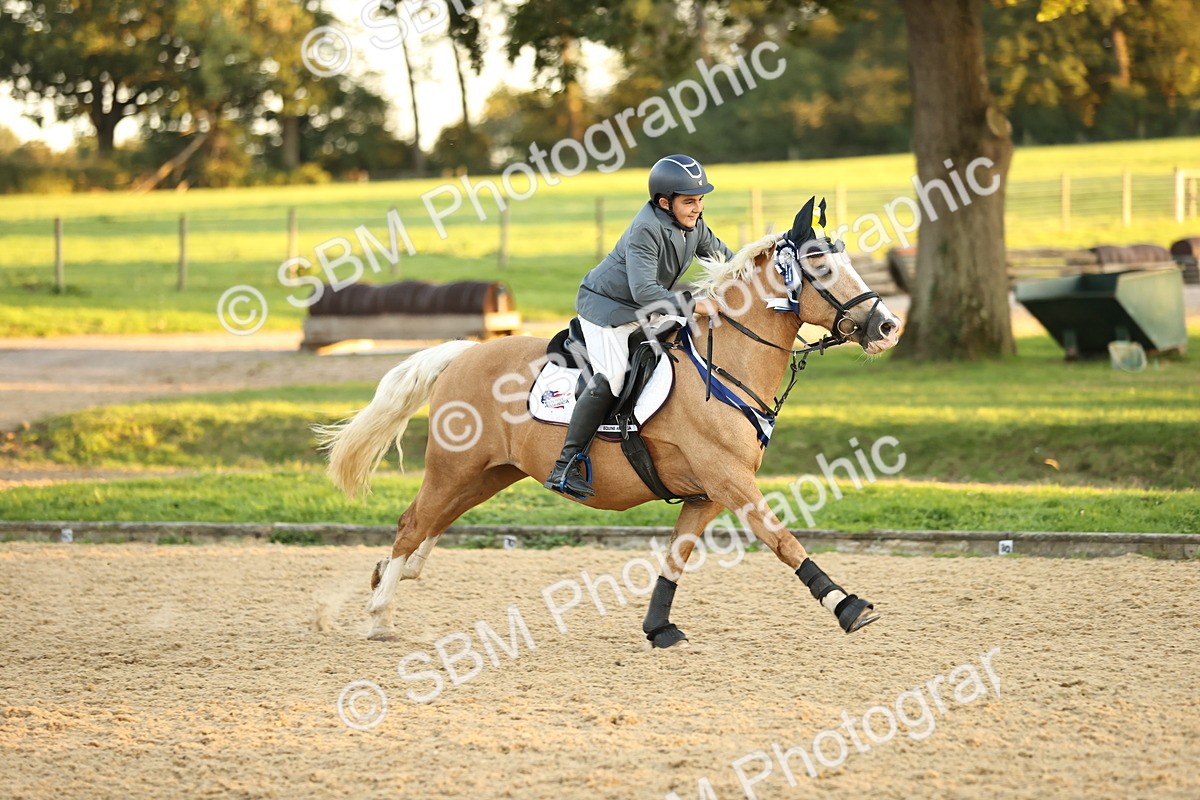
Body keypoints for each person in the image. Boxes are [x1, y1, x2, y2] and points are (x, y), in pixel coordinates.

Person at [544, 154, 734, 499]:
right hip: (608, 310)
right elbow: (644, 291)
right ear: (665, 202)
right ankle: (565, 464)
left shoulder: (694, 224)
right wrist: (694, 303)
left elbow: (725, 259)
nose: (698, 207)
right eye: (689, 201)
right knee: (613, 376)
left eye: (701, 199)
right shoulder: (647, 228)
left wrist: (759, 274)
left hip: (647, 307)